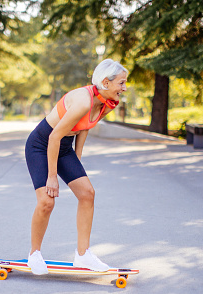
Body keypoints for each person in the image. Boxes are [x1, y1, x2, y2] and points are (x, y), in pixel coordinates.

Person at [24, 59, 128, 275]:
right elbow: (53, 137)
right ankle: (34, 254)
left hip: (63, 147)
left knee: (87, 193)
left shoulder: (107, 103)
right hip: (42, 144)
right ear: (106, 83)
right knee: (46, 201)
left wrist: (76, 158)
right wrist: (53, 176)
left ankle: (83, 255)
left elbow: (84, 127)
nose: (124, 88)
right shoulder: (83, 100)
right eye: (121, 83)